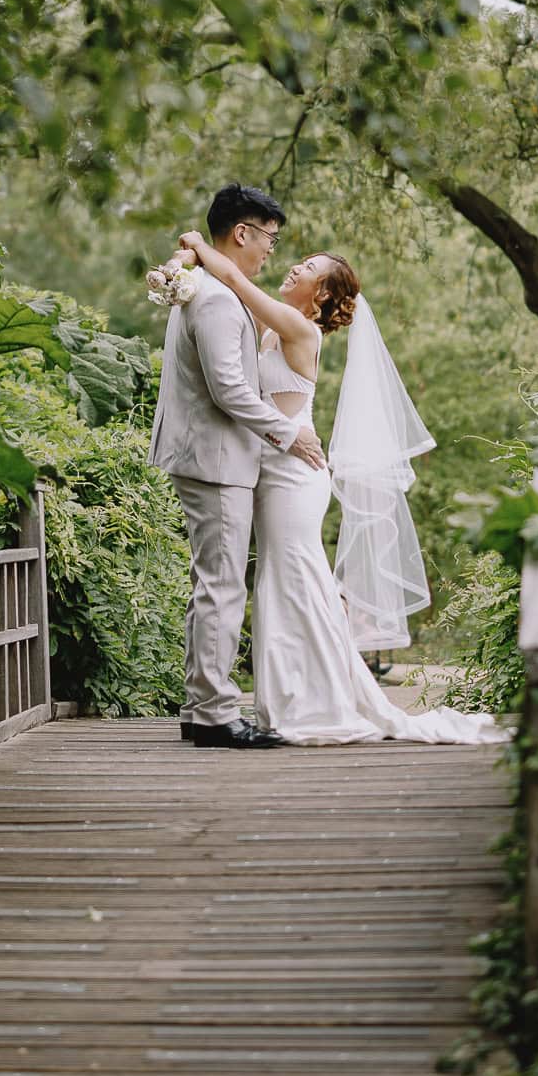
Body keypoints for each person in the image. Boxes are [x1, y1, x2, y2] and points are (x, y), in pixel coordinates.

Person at [172, 227, 509, 747]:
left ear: (322, 294)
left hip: (293, 477)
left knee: (295, 583)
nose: (293, 267)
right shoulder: (272, 327)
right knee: (285, 585)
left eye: (307, 267)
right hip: (272, 470)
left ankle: (311, 706)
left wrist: (197, 244)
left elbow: (237, 278)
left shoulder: (298, 330)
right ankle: (292, 700)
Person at [147, 184, 325, 749]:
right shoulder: (220, 301)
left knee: (212, 583)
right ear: (243, 233)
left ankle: (202, 703)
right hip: (217, 459)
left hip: (207, 455)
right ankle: (214, 713)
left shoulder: (206, 286)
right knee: (222, 587)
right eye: (270, 236)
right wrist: (288, 431)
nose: (273, 249)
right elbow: (229, 390)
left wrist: (192, 251)